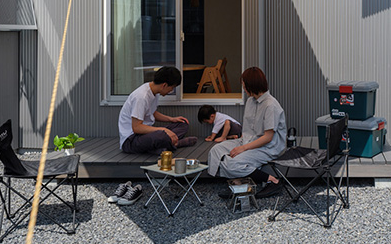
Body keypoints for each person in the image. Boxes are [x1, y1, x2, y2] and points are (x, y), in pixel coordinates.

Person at [208, 67, 286, 198]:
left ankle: (273, 181)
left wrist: (242, 149)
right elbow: (248, 129)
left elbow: (268, 137)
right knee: (216, 150)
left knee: (232, 162)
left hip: (268, 146)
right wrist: (240, 145)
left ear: (252, 85)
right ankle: (240, 182)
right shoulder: (250, 101)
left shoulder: (270, 105)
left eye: (244, 85)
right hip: (248, 140)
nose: (243, 88)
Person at [118, 66, 198, 154]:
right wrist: (164, 130)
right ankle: (175, 143)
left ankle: (166, 144)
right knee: (161, 135)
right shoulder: (141, 97)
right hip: (132, 140)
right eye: (172, 88)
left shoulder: (153, 92)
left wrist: (171, 119)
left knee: (183, 124)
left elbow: (152, 113)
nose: (171, 91)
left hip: (146, 134)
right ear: (164, 85)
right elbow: (136, 128)